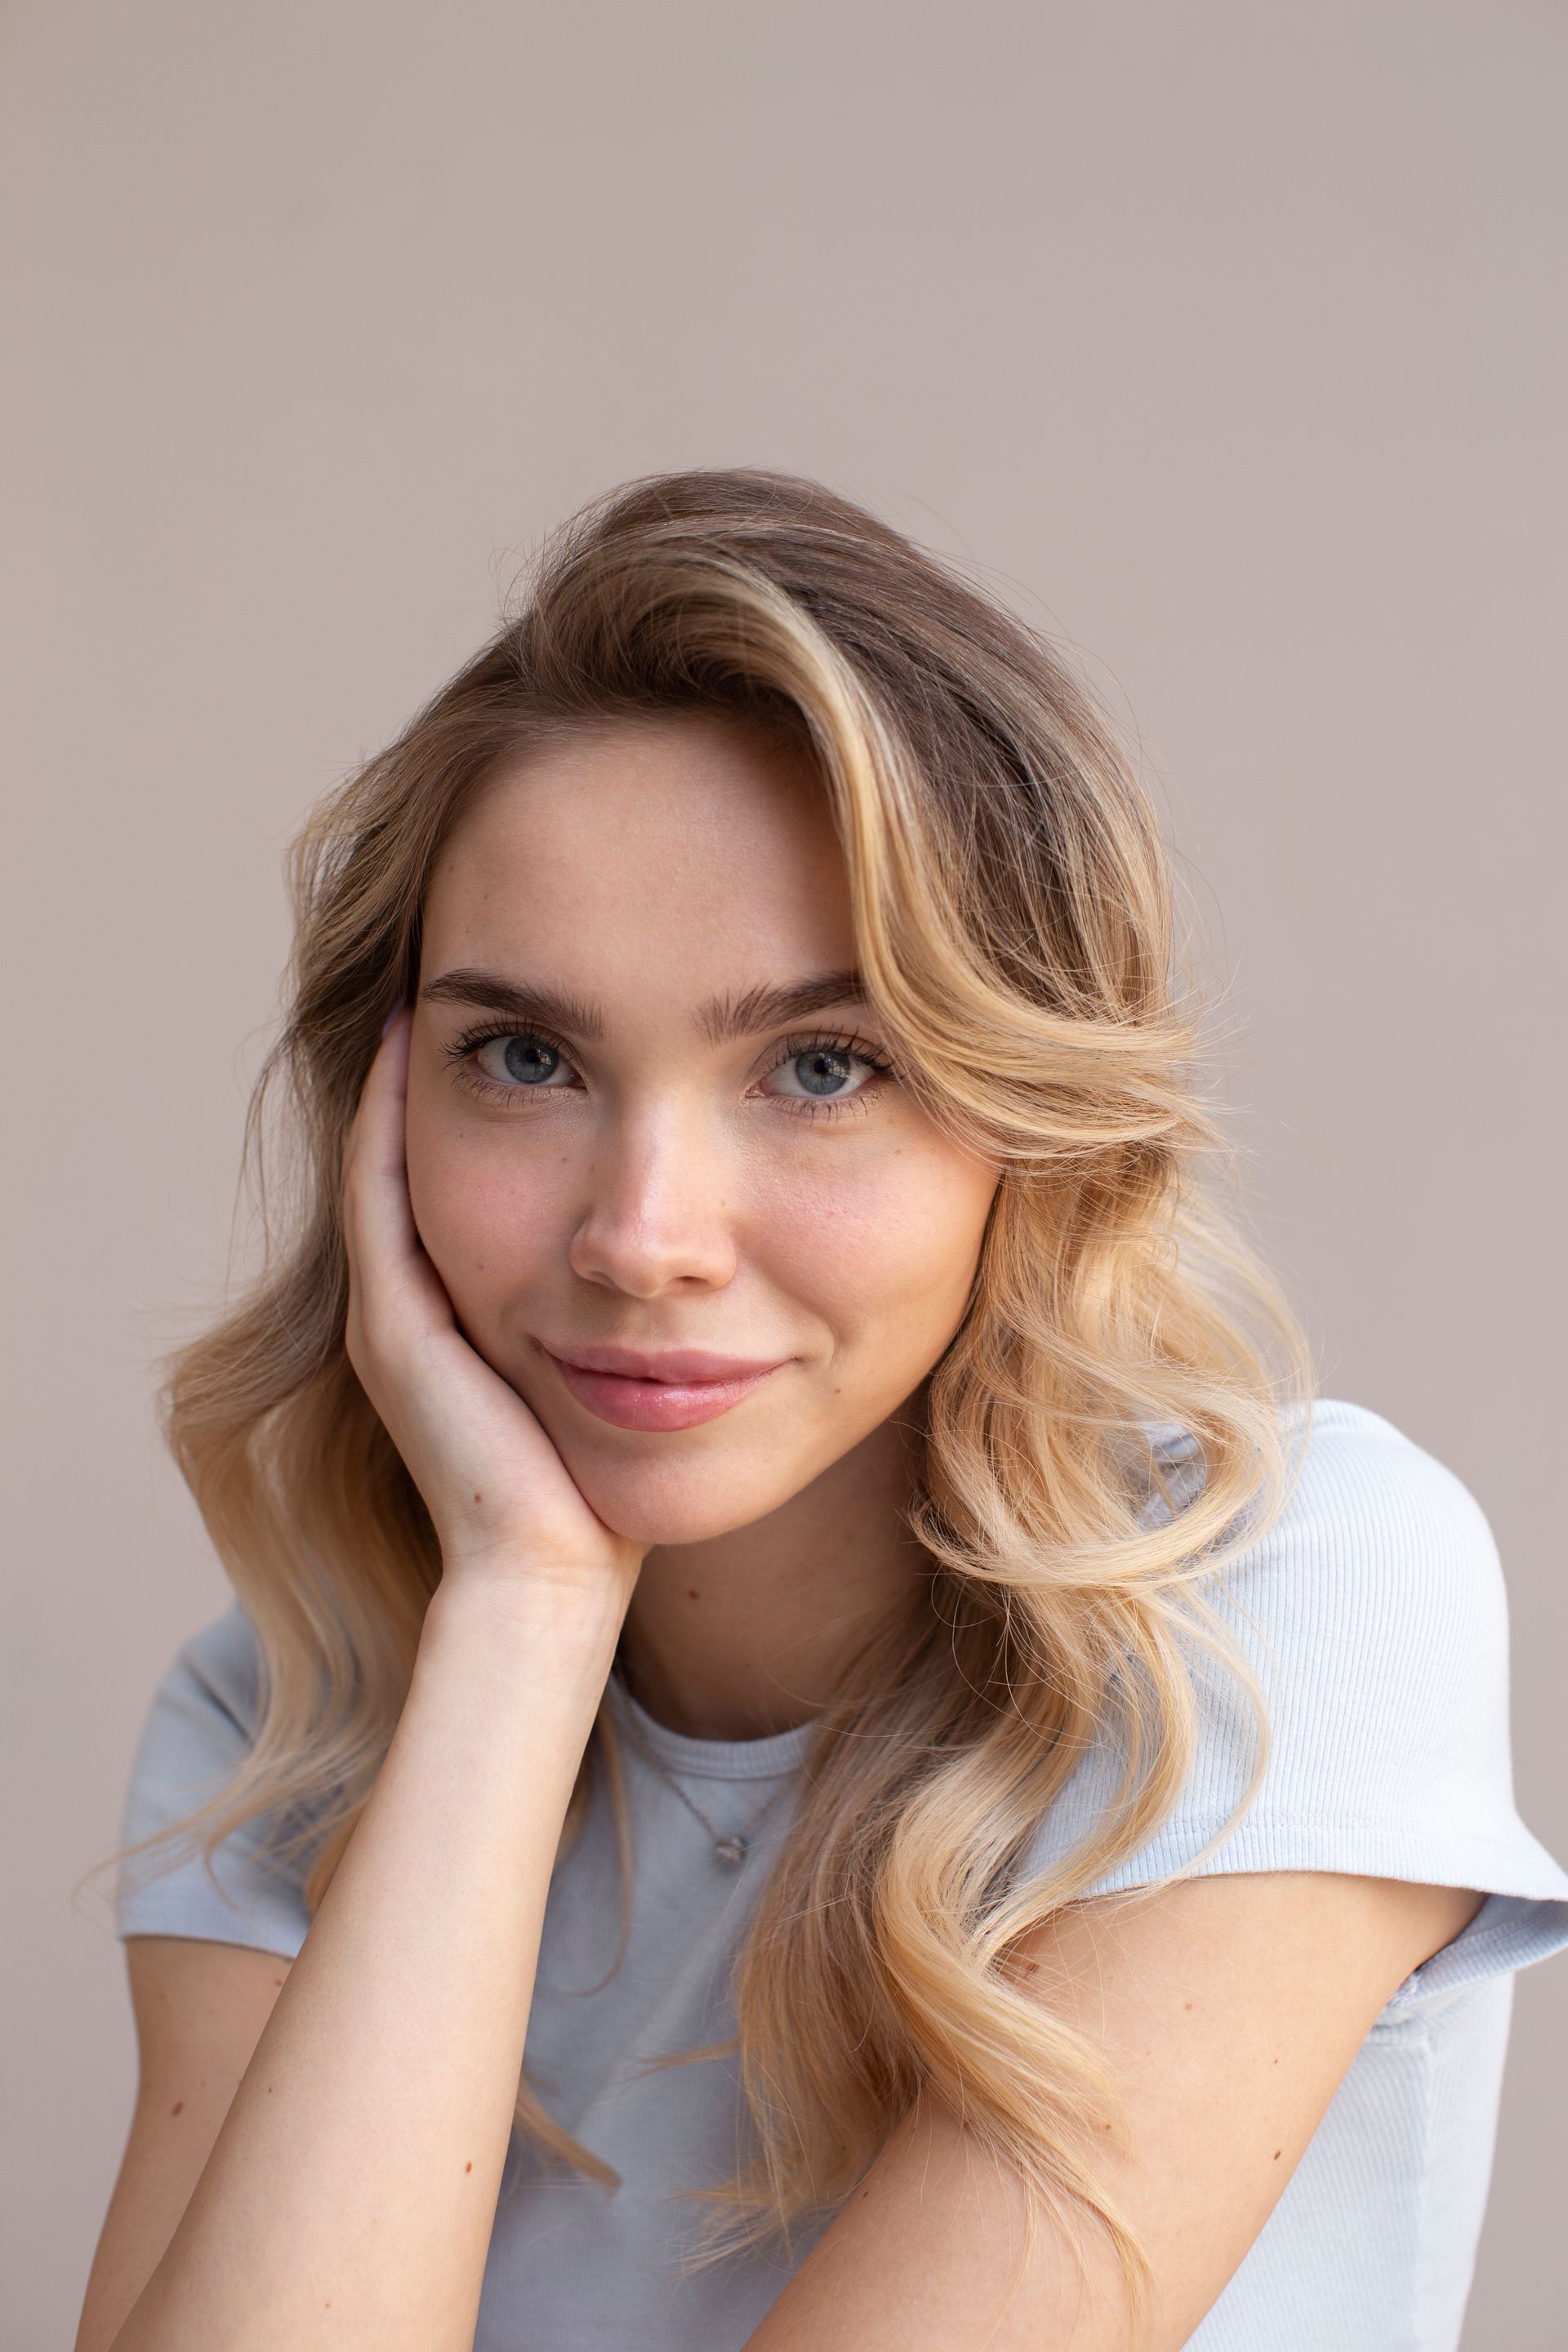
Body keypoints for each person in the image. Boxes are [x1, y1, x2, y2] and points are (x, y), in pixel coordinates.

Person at [78, 469, 1568, 2352]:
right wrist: (529, 1616)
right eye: (523, 1058)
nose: (643, 1239)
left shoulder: (1285, 1604)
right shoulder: (283, 1715)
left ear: (1027, 1117)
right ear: (382, 1114)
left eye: (823, 1063)